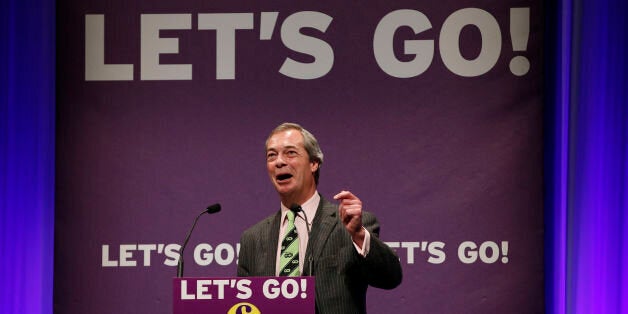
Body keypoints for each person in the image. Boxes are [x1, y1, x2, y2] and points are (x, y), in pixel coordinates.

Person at [237, 122, 402, 314]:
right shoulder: (253, 239)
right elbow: (244, 306)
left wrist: (358, 235)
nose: (279, 162)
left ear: (314, 163)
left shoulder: (350, 225)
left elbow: (390, 277)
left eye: (290, 153)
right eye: (271, 155)